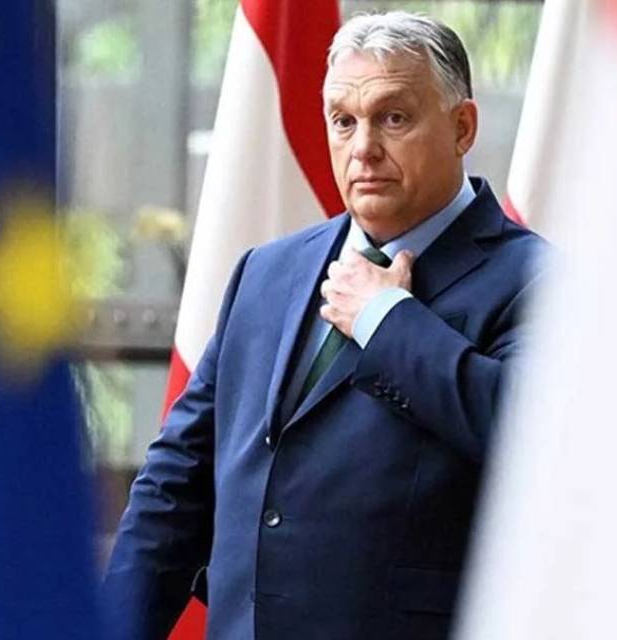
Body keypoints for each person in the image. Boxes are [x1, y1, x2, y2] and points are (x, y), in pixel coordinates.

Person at [102, 11, 545, 640]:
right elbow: (175, 486)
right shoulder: (267, 271)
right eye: (343, 120)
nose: (363, 147)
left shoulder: (538, 280)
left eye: (394, 117)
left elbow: (537, 444)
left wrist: (387, 323)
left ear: (462, 126)